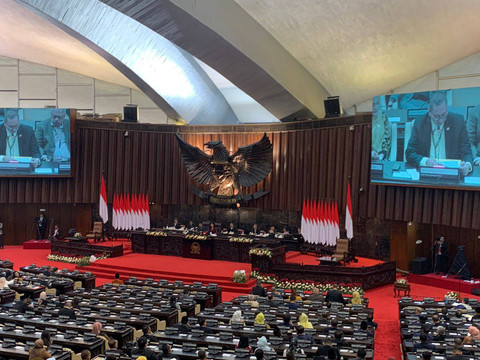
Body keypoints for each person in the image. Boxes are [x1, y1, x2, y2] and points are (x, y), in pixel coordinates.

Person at [405, 91, 473, 175]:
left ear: (447, 110)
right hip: (427, 172)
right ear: (429, 113)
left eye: (443, 115)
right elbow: (409, 153)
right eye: (436, 116)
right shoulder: (420, 123)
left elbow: (467, 152)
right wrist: (425, 161)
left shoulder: (458, 121)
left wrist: (467, 165)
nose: (440, 120)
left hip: (451, 174)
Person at [371, 96, 392, 161]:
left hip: (380, 157)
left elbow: (387, 137)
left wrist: (381, 154)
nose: (376, 108)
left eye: (377, 104)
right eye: (373, 105)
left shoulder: (383, 117)